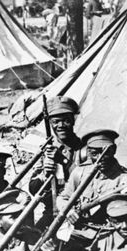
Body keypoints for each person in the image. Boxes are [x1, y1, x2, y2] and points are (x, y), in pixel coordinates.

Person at [29, 96, 84, 226]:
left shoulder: (84, 149)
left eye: (66, 121)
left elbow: (87, 180)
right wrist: (44, 175)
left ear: (74, 121)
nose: (61, 126)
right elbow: (33, 189)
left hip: (77, 211)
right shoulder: (45, 152)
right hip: (52, 212)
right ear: (50, 124)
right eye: (56, 122)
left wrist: (64, 161)